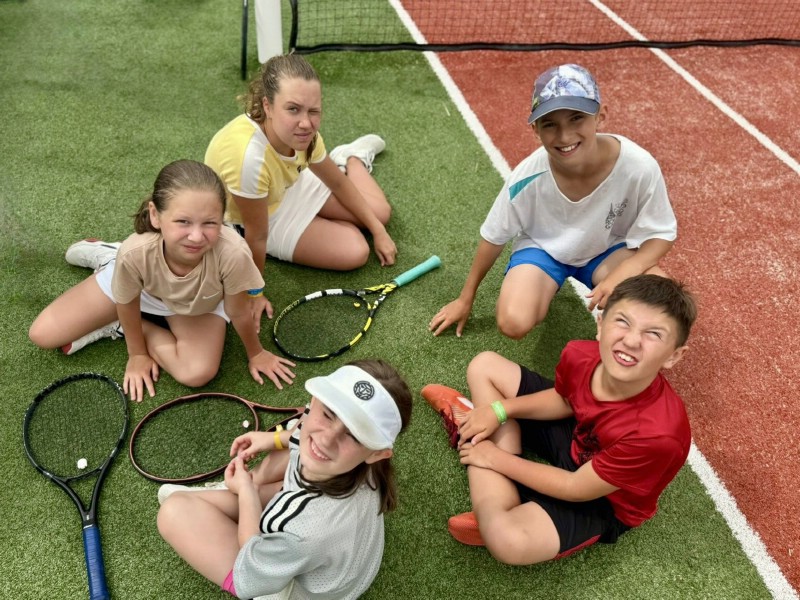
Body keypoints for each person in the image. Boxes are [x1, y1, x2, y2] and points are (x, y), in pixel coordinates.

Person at [422, 274, 697, 564]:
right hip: (578, 436)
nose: (631, 340)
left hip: (603, 499)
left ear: (674, 356)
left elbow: (575, 487)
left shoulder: (657, 435)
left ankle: (489, 491)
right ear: (600, 325)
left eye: (653, 334)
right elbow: (564, 400)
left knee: (508, 541)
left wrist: (493, 458)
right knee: (484, 366)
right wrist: (500, 411)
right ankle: (496, 500)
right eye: (622, 321)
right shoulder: (580, 354)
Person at [429, 63, 677, 340]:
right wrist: (465, 298)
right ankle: (543, 282)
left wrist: (624, 272)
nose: (565, 136)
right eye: (550, 124)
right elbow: (494, 237)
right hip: (544, 249)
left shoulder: (638, 165)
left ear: (601, 116)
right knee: (513, 322)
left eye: (576, 118)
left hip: (606, 249)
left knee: (662, 307)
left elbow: (662, 233)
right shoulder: (526, 177)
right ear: (535, 129)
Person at [28, 160, 296, 401]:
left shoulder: (233, 253)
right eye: (183, 221)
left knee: (197, 372)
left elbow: (237, 310)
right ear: (155, 215)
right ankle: (110, 257)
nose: (196, 236)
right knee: (43, 335)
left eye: (209, 223)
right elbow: (127, 301)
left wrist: (256, 353)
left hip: (197, 305)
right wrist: (137, 354)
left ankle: (119, 326)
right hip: (141, 290)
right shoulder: (136, 253)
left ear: (222, 219)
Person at [157, 359, 412, 600]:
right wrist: (271, 439)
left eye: (354, 435)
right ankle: (246, 488)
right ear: (315, 400)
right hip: (342, 563)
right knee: (300, 443)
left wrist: (246, 491)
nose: (326, 439)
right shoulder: (367, 461)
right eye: (329, 413)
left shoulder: (302, 531)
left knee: (173, 511)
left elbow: (251, 562)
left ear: (378, 453)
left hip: (301, 589)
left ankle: (244, 489)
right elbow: (303, 427)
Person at [206, 53, 398, 324]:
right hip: (259, 218)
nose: (306, 123)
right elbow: (257, 235)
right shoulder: (249, 159)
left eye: (313, 111)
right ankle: (334, 208)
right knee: (356, 251)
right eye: (293, 109)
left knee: (380, 214)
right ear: (267, 106)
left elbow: (337, 182)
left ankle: (351, 158)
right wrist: (254, 292)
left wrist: (378, 230)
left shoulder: (302, 135)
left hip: (290, 184)